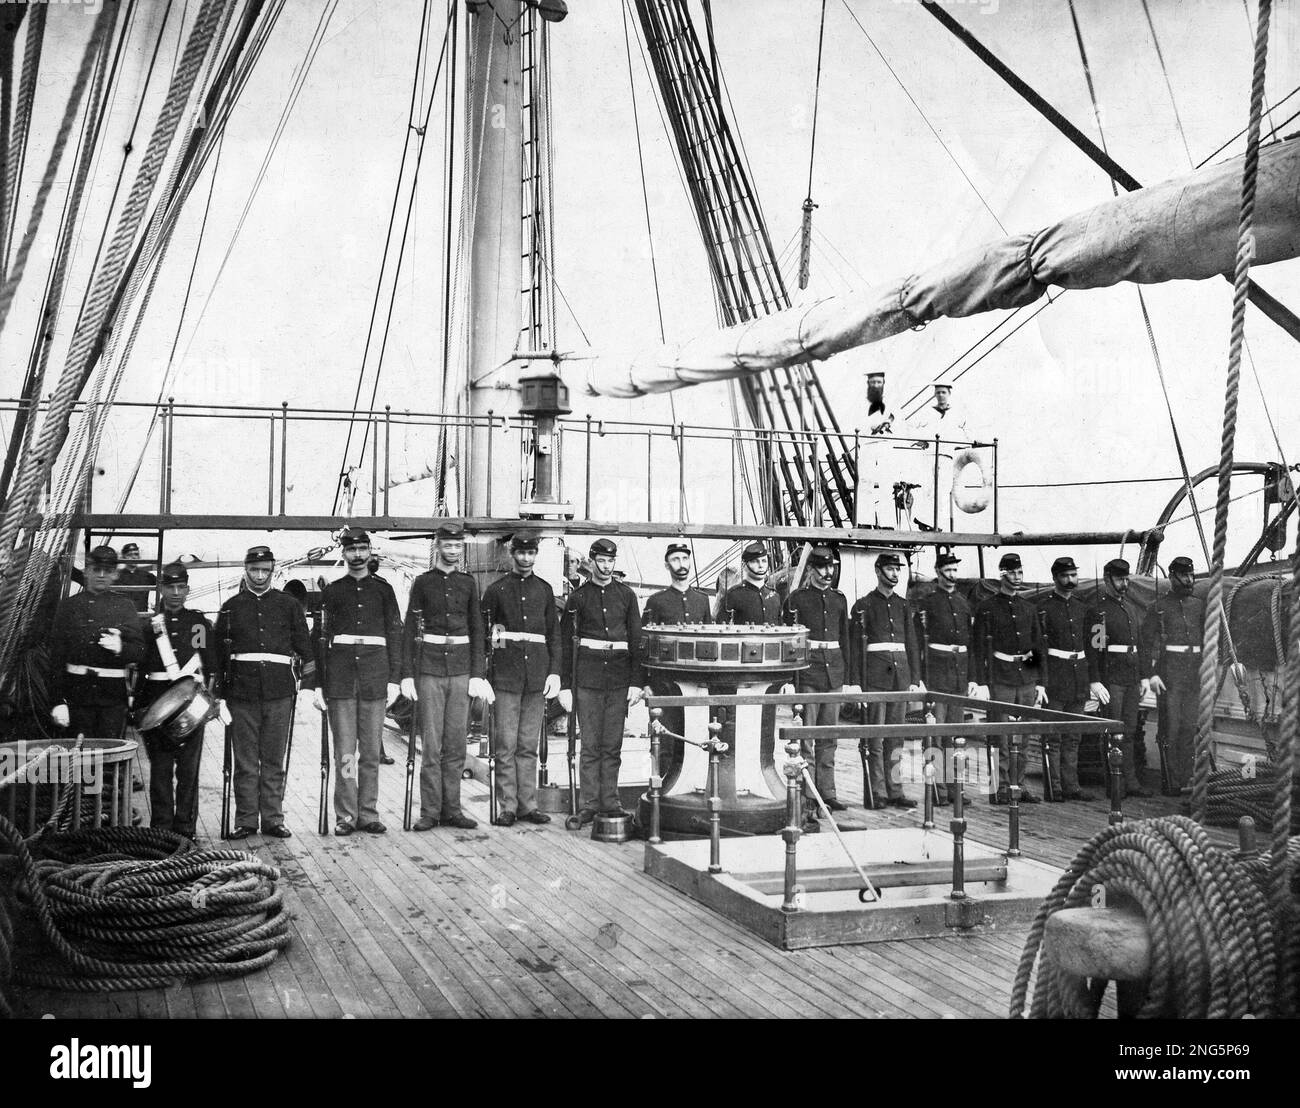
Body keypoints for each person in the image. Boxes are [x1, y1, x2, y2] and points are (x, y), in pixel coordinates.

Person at [214, 545, 315, 839]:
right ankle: (246, 820)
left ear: (273, 571)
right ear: (245, 570)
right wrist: (219, 696)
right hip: (241, 694)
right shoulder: (231, 607)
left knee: (273, 760)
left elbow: (306, 649)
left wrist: (308, 687)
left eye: (264, 571)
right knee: (245, 762)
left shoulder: (289, 605)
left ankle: (273, 819)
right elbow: (220, 655)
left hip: (279, 693)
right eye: (254, 570)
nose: (259, 576)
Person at [309, 527, 403, 836]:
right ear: (344, 553)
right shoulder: (333, 592)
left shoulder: (384, 590)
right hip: (342, 682)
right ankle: (346, 815)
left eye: (363, 548)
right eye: (352, 549)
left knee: (372, 753)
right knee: (346, 752)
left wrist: (395, 680)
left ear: (370, 551)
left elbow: (395, 635)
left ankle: (368, 813)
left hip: (375, 680)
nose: (358, 555)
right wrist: (319, 684)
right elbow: (321, 640)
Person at [403, 522, 488, 832]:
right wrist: (407, 675)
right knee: (432, 744)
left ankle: (452, 809)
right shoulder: (423, 583)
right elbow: (410, 629)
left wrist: (478, 673)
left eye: (457, 546)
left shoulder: (468, 584)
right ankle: (429, 811)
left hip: (461, 672)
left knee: (455, 744)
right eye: (447, 545)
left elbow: (478, 631)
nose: (452, 551)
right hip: (430, 670)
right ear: (437, 546)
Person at [558, 538, 646, 826]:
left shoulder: (626, 596)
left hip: (619, 679)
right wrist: (566, 687)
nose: (607, 566)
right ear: (592, 562)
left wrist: (636, 682)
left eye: (611, 561)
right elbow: (566, 644)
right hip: (588, 678)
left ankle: (610, 802)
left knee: (612, 745)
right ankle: (589, 805)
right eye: (602, 561)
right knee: (591, 745)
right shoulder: (578, 598)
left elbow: (636, 641)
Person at [481, 530, 561, 826]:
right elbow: (490, 635)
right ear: (511, 554)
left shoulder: (544, 590)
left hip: (536, 678)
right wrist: (488, 674)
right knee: (506, 744)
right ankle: (508, 806)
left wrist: (555, 672)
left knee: (528, 744)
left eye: (531, 553)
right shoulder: (497, 590)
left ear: (535, 555)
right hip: (507, 677)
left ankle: (528, 805)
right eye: (521, 553)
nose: (526, 558)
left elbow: (554, 635)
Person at [137, 561, 216, 840]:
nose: (175, 592)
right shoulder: (150, 627)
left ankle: (185, 829)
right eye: (170, 587)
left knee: (188, 772)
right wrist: (138, 708)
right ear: (161, 589)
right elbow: (141, 669)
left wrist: (212, 701)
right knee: (160, 771)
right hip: (158, 702)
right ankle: (161, 829)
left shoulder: (198, 623)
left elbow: (210, 663)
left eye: (181, 587)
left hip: (191, 705)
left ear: (187, 589)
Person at [48, 545, 147, 739]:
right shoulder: (69, 606)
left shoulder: (125, 607)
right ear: (86, 571)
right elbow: (56, 659)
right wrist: (58, 701)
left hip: (112, 701)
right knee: (78, 761)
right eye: (96, 569)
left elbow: (140, 651)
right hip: (77, 698)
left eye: (107, 571)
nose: (101, 575)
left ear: (115, 575)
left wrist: (121, 648)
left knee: (109, 760)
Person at [847, 551, 920, 809]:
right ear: (878, 571)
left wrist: (914, 678)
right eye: (890, 569)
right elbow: (855, 648)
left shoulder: (903, 605)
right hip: (875, 678)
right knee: (875, 739)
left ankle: (895, 790)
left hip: (899, 678)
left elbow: (911, 643)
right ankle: (877, 792)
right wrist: (855, 681)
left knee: (896, 737)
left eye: (897, 569)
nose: (895, 574)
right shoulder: (863, 605)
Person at [972, 552, 1045, 804]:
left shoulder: (1029, 608)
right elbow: (978, 648)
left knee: (1022, 736)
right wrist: (981, 682)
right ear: (1002, 574)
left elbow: (1036, 646)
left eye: (1020, 572)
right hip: (999, 677)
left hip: (1026, 678)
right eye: (1012, 573)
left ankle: (1019, 785)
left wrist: (1039, 681)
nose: (1017, 577)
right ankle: (999, 786)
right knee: (999, 736)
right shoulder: (987, 608)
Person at [783, 546, 851, 811]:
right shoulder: (796, 600)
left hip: (833, 672)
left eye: (831, 568)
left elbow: (845, 638)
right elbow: (790, 642)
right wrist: (790, 677)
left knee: (829, 736)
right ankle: (809, 794)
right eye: (822, 568)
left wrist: (848, 677)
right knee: (807, 738)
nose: (828, 573)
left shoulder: (839, 599)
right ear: (810, 570)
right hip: (808, 673)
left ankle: (828, 791)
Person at [912, 551, 979, 805]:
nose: (952, 576)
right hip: (937, 675)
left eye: (955, 570)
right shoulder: (928, 603)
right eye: (948, 571)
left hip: (959, 676)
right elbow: (918, 642)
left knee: (955, 733)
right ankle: (936, 787)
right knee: (935, 734)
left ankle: (954, 787)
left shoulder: (963, 603)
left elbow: (969, 644)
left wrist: (972, 677)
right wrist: (920, 677)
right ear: (938, 573)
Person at [1085, 557, 1153, 799]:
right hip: (1111, 678)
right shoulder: (1099, 612)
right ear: (1107, 580)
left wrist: (1144, 677)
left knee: (1131, 731)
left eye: (1126, 579)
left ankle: (1131, 782)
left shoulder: (1131, 609)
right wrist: (1095, 681)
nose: (1124, 584)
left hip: (1132, 678)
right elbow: (1094, 650)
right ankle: (1115, 784)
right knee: (1113, 732)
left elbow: (1141, 645)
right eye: (1119, 579)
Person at [1034, 556, 1096, 801]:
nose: (1070, 580)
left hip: (1079, 676)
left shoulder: (1084, 609)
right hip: (1055, 679)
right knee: (1054, 735)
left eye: (1073, 575)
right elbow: (1037, 649)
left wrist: (1093, 679)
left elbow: (1093, 647)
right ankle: (1055, 787)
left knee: (1074, 735)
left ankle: (1072, 786)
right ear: (1055, 578)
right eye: (1065, 576)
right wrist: (1041, 681)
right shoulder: (1044, 608)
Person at [1142, 555, 1204, 793]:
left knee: (1190, 726)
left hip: (1194, 671)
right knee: (1171, 727)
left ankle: (1187, 778)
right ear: (1172, 577)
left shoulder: (1198, 605)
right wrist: (1152, 674)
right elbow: (1147, 644)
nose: (1189, 580)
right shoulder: (1158, 607)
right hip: (1170, 673)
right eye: (1184, 576)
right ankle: (1171, 780)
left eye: (1191, 575)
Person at [643, 542, 712, 625]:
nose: (682, 564)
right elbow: (646, 634)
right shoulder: (655, 601)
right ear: (667, 566)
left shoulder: (703, 599)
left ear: (690, 563)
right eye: (675, 560)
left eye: (685, 559)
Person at [720, 542, 780, 623]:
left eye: (764, 561)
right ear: (744, 565)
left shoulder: (775, 596)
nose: (761, 565)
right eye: (755, 561)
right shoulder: (733, 595)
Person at [115, 542, 157, 614]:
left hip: (142, 619)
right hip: (123, 619)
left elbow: (164, 587)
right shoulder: (117, 576)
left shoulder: (147, 576)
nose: (134, 557)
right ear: (124, 557)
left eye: (136, 554)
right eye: (130, 555)